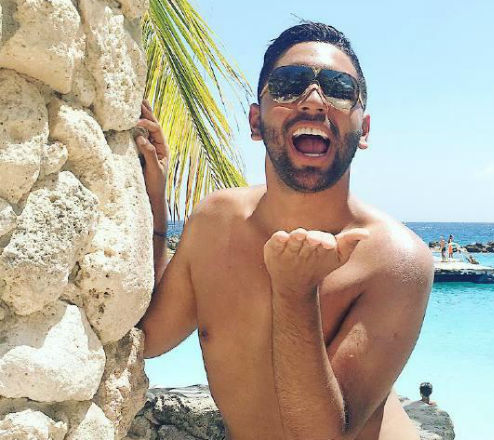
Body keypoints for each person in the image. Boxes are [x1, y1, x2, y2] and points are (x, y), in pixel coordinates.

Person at [135, 22, 433, 440]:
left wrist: (295, 292)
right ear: (256, 121)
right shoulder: (215, 223)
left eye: (339, 89)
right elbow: (148, 337)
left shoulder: (396, 260)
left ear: (363, 130)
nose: (313, 101)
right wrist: (154, 203)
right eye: (289, 85)